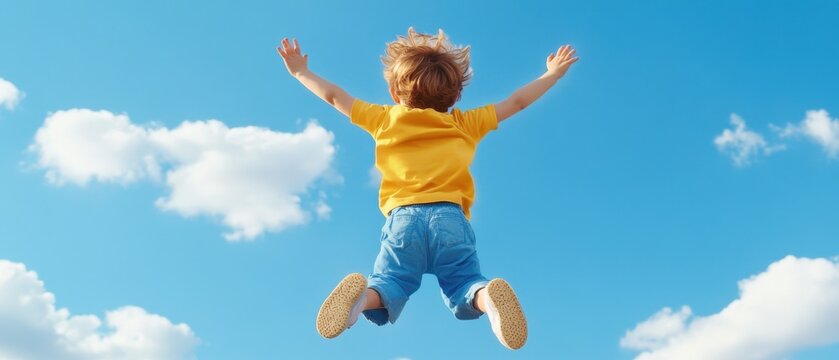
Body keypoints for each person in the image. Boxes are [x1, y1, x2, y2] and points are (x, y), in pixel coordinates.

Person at [277, 28, 578, 350]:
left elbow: (334, 97)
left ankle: (359, 302)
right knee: (464, 280)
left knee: (391, 281)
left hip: (403, 219)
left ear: (395, 91)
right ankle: (487, 298)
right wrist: (553, 74)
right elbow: (517, 102)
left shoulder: (384, 119)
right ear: (457, 95)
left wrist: (300, 71)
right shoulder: (465, 123)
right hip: (451, 219)